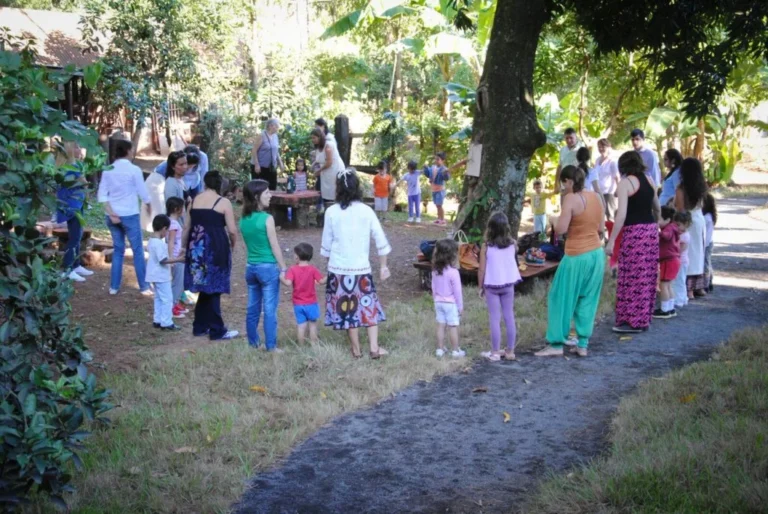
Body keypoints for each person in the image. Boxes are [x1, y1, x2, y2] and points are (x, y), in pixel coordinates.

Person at [321, 169, 392, 359]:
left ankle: (356, 350)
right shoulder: (366, 211)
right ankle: (374, 348)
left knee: (347, 309)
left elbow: (326, 245)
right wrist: (383, 266)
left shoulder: (331, 212)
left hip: (338, 270)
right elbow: (381, 240)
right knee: (368, 306)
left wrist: (331, 264)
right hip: (361, 269)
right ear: (357, 188)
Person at [536, 166, 605, 357]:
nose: (562, 186)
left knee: (560, 297)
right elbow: (600, 227)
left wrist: (553, 218)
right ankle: (582, 344)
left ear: (569, 181)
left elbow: (561, 229)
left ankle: (556, 344)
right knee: (587, 299)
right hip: (596, 254)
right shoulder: (595, 197)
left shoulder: (571, 199)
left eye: (563, 182)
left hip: (576, 255)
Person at [605, 151, 661, 334]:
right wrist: (657, 225)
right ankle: (643, 318)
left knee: (631, 276)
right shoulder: (649, 180)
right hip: (650, 231)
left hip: (634, 232)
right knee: (647, 275)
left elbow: (620, 215)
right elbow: (657, 208)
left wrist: (611, 240)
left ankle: (631, 320)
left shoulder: (625, 184)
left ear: (622, 167)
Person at [182, 171, 240, 340]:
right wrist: (233, 245)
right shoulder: (223, 202)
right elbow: (232, 231)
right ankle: (217, 329)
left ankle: (199, 326)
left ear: (205, 183)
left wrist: (184, 247)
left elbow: (187, 227)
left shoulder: (193, 200)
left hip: (196, 247)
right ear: (220, 185)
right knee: (214, 287)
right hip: (216, 246)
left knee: (204, 286)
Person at [97, 139, 153, 296]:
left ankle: (114, 287)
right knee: (137, 250)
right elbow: (143, 193)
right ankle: (144, 286)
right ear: (128, 151)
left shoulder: (108, 169)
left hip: (112, 215)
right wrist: (149, 205)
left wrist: (111, 212)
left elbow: (101, 195)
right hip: (129, 214)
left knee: (118, 250)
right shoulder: (134, 170)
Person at [240, 179, 288, 351]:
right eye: (266, 192)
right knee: (269, 310)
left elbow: (246, 246)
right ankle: (271, 346)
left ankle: (253, 344)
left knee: (252, 309)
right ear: (256, 196)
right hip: (267, 268)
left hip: (250, 268)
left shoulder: (244, 219)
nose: (270, 195)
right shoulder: (267, 219)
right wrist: (283, 267)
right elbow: (274, 245)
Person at [479, 212, 523, 361]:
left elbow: (482, 269)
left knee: (494, 318)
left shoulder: (486, 247)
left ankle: (495, 351)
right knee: (509, 315)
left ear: (489, 228)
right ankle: (510, 351)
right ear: (506, 228)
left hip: (491, 285)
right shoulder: (513, 244)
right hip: (508, 284)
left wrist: (480, 286)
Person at [56, 142, 92, 282]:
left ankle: (76, 265)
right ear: (70, 151)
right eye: (76, 147)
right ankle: (67, 268)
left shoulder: (63, 166)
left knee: (77, 235)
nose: (79, 149)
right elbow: (84, 183)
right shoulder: (73, 167)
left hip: (72, 204)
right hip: (73, 206)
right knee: (75, 237)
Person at [674, 157, 708, 299]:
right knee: (698, 254)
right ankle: (698, 287)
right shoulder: (702, 186)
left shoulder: (682, 188)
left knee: (687, 254)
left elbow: (681, 209)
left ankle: (688, 289)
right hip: (699, 219)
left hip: (688, 222)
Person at [280, 243, 327, 345]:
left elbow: (288, 283)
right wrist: (330, 275)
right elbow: (322, 281)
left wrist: (281, 276)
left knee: (301, 326)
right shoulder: (312, 269)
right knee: (313, 325)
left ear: (297, 256)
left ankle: (301, 346)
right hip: (312, 303)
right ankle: (314, 346)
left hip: (298, 304)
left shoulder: (292, 269)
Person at [147, 215, 184, 331]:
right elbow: (163, 260)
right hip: (161, 275)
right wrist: (179, 259)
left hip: (154, 274)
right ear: (164, 229)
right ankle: (167, 322)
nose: (167, 233)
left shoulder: (152, 241)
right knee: (167, 298)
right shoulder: (158, 243)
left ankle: (157, 320)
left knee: (158, 298)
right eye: (167, 230)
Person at [430, 239, 465, 358]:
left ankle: (440, 349)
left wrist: (435, 298)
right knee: (453, 326)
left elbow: (433, 287)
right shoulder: (453, 272)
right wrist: (460, 307)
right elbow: (457, 292)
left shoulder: (435, 271)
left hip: (438, 302)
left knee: (440, 325)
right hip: (450, 304)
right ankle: (455, 351)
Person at [654, 206, 682, 319]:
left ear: (667, 219)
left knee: (663, 285)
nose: (657, 222)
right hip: (674, 260)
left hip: (668, 261)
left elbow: (666, 236)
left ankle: (664, 309)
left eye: (659, 219)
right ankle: (670, 308)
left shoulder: (669, 229)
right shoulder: (675, 227)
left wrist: (657, 232)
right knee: (669, 285)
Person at [311, 128, 345, 211]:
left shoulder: (328, 145)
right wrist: (314, 164)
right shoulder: (318, 147)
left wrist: (318, 171)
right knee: (326, 193)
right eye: (311, 138)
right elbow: (320, 158)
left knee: (334, 192)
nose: (313, 140)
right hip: (326, 172)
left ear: (319, 137)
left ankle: (335, 210)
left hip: (335, 171)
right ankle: (327, 210)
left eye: (314, 138)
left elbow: (329, 162)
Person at [165, 197, 187, 319]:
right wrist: (172, 258)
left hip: (177, 256)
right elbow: (171, 241)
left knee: (178, 282)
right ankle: (172, 307)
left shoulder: (171, 221)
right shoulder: (173, 224)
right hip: (177, 258)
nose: (184, 210)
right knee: (178, 282)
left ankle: (175, 303)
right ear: (176, 209)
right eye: (182, 207)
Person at [251, 118, 285, 190]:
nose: (278, 128)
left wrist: (280, 163)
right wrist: (257, 165)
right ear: (271, 126)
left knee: (272, 187)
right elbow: (254, 150)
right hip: (260, 167)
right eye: (277, 126)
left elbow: (276, 151)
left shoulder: (275, 136)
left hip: (271, 167)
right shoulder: (261, 136)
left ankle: (271, 201)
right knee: (260, 189)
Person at [594, 139, 620, 221]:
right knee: (600, 216)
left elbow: (617, 177)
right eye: (599, 147)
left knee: (610, 215)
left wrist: (618, 189)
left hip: (609, 192)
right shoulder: (597, 160)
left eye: (603, 146)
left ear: (609, 147)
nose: (601, 148)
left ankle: (612, 233)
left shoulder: (612, 161)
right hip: (598, 192)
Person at [671, 211, 692, 308]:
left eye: (678, 225)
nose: (676, 227)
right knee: (680, 281)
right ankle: (683, 298)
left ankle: (679, 300)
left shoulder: (684, 236)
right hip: (681, 261)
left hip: (681, 262)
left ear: (686, 224)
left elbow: (680, 250)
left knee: (679, 281)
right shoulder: (682, 234)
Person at [424, 152, 450, 225]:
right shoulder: (433, 167)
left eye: (438, 159)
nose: (436, 161)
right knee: (436, 205)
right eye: (435, 159)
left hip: (440, 189)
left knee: (439, 205)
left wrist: (445, 173)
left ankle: (442, 219)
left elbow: (446, 178)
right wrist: (426, 168)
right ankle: (438, 219)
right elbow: (428, 174)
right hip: (434, 189)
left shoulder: (444, 169)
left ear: (442, 160)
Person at [702, 193, 717, 292]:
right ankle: (709, 279)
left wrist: (704, 245)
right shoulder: (709, 216)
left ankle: (707, 283)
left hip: (707, 243)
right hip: (709, 242)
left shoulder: (707, 218)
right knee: (707, 262)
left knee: (706, 263)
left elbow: (707, 234)